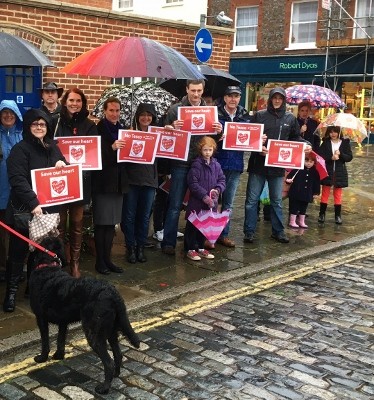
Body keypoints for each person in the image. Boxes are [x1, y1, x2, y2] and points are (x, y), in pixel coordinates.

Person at [3, 109, 67, 312]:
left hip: (47, 210)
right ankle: (11, 292)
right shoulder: (19, 150)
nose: (39, 127)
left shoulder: (53, 147)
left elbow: (64, 169)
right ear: (29, 126)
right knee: (18, 252)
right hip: (25, 210)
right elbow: (17, 180)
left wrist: (62, 164)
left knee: (39, 253)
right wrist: (33, 203)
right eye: (35, 124)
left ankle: (33, 289)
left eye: (43, 124)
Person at [161, 79, 222, 255]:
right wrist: (171, 127)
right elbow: (165, 136)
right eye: (193, 90)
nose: (196, 94)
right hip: (181, 162)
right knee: (175, 204)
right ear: (187, 89)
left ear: (203, 90)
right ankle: (169, 243)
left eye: (199, 90)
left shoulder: (210, 112)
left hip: (201, 165)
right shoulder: (175, 110)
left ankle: (196, 243)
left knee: (201, 205)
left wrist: (219, 131)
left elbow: (213, 140)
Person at [243, 87, 311, 244]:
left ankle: (278, 231)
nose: (277, 100)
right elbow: (250, 138)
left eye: (280, 98)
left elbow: (296, 138)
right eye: (275, 97)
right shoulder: (259, 115)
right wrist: (258, 147)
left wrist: (306, 144)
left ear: (284, 100)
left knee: (276, 201)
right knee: (252, 200)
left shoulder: (290, 118)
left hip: (277, 166)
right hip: (258, 164)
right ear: (270, 99)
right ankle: (249, 231)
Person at [54, 88, 98, 277]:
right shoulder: (55, 122)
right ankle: (60, 261)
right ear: (65, 102)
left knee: (78, 224)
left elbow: (94, 153)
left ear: (83, 103)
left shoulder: (89, 125)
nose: (74, 103)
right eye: (71, 100)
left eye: (78, 100)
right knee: (60, 224)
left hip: (81, 181)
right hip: (61, 181)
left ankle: (75, 264)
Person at [92, 97, 127, 274]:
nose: (114, 114)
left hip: (118, 184)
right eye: (111, 110)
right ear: (104, 111)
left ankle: (108, 259)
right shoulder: (98, 129)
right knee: (102, 224)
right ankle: (100, 262)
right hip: (103, 183)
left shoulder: (123, 130)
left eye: (117, 110)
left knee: (111, 224)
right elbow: (95, 156)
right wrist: (111, 148)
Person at [213, 85, 252, 248]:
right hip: (217, 163)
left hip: (235, 164)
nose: (233, 99)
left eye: (236, 96)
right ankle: (210, 235)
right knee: (213, 202)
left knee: (228, 203)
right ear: (225, 98)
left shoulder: (245, 117)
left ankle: (224, 234)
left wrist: (259, 140)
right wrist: (216, 135)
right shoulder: (215, 115)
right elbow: (206, 139)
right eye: (230, 96)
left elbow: (251, 139)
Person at [121, 103, 159, 264]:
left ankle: (140, 247)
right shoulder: (129, 132)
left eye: (149, 115)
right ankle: (130, 246)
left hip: (150, 180)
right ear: (137, 116)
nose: (146, 118)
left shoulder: (158, 134)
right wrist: (125, 138)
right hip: (131, 179)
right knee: (129, 216)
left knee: (144, 217)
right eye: (142, 114)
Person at [184, 136, 225, 261]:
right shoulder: (196, 165)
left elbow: (222, 179)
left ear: (213, 150)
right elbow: (193, 183)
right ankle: (190, 249)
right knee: (192, 226)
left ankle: (201, 248)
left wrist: (218, 190)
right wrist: (204, 196)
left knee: (205, 226)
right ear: (200, 150)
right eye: (205, 150)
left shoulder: (216, 165)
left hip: (210, 203)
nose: (207, 152)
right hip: (197, 201)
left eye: (210, 150)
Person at [0, 100, 23, 281]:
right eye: (4, 113)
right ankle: (2, 268)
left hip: (17, 194)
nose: (8, 116)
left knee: (17, 233)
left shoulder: (22, 135)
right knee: (1, 235)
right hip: (0, 191)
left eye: (11, 113)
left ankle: (16, 267)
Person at [317, 125, 353, 224]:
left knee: (338, 194)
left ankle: (338, 216)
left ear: (339, 132)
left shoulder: (344, 143)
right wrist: (330, 158)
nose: (333, 134)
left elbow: (349, 157)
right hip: (328, 171)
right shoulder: (325, 143)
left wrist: (340, 154)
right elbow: (320, 156)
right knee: (325, 192)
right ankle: (322, 214)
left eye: (335, 132)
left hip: (339, 172)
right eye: (331, 132)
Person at [285, 153, 320, 228]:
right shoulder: (298, 169)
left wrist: (316, 193)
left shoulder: (315, 172)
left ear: (314, 163)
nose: (308, 164)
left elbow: (316, 183)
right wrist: (288, 180)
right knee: (294, 207)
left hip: (307, 193)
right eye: (307, 161)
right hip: (296, 191)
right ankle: (292, 221)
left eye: (311, 162)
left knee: (304, 207)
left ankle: (301, 221)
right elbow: (289, 177)